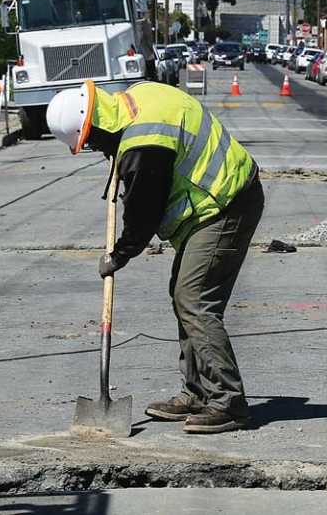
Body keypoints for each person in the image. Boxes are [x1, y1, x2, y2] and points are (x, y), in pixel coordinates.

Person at [46, 80, 264, 434]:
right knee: (183, 293)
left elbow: (144, 212)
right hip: (213, 202)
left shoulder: (142, 144)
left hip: (227, 203)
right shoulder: (135, 98)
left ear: (95, 126)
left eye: (89, 141)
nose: (93, 148)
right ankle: (197, 392)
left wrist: (119, 255)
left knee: (194, 299)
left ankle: (228, 401)